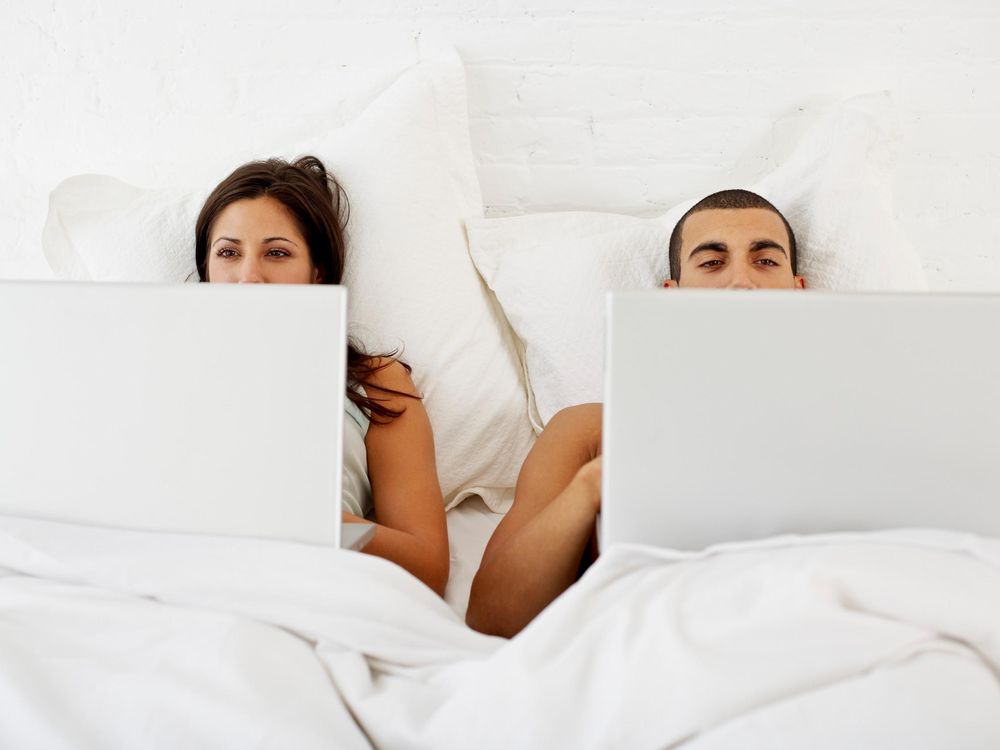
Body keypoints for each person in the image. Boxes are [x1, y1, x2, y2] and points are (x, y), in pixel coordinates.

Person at [466, 189, 807, 636]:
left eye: (765, 261)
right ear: (672, 295)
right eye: (711, 263)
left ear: (799, 289)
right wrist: (592, 486)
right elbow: (492, 618)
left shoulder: (862, 423)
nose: (740, 281)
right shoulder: (590, 431)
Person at [195, 156, 449, 596]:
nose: (248, 278)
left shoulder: (374, 382)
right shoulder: (160, 369)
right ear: (206, 269)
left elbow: (428, 566)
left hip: (307, 589)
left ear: (319, 272)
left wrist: (297, 517)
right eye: (228, 253)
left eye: (276, 253)